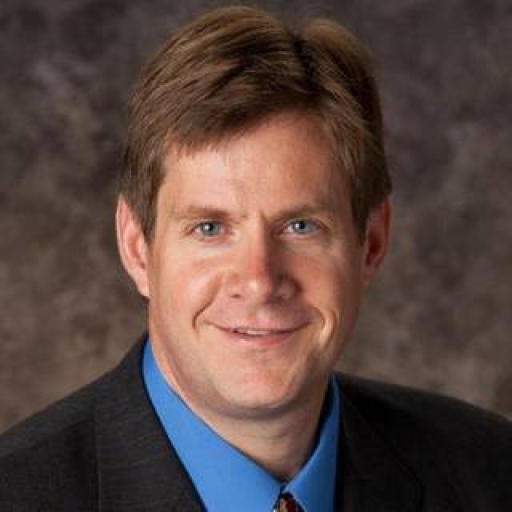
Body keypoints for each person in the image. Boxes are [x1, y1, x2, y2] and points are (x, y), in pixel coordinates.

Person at [0, 5, 510, 511]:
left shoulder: (492, 472)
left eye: (301, 226)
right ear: (138, 248)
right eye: (210, 228)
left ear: (371, 243)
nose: (260, 280)